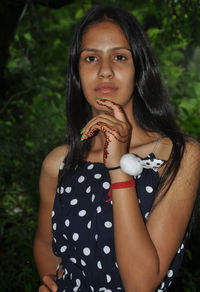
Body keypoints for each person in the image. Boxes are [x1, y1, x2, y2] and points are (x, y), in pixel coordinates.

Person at [33, 4, 200, 292]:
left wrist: (117, 166)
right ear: (77, 72)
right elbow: (46, 244)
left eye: (120, 57)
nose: (105, 71)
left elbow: (141, 284)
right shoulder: (59, 163)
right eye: (91, 58)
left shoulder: (180, 156)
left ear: (140, 69)